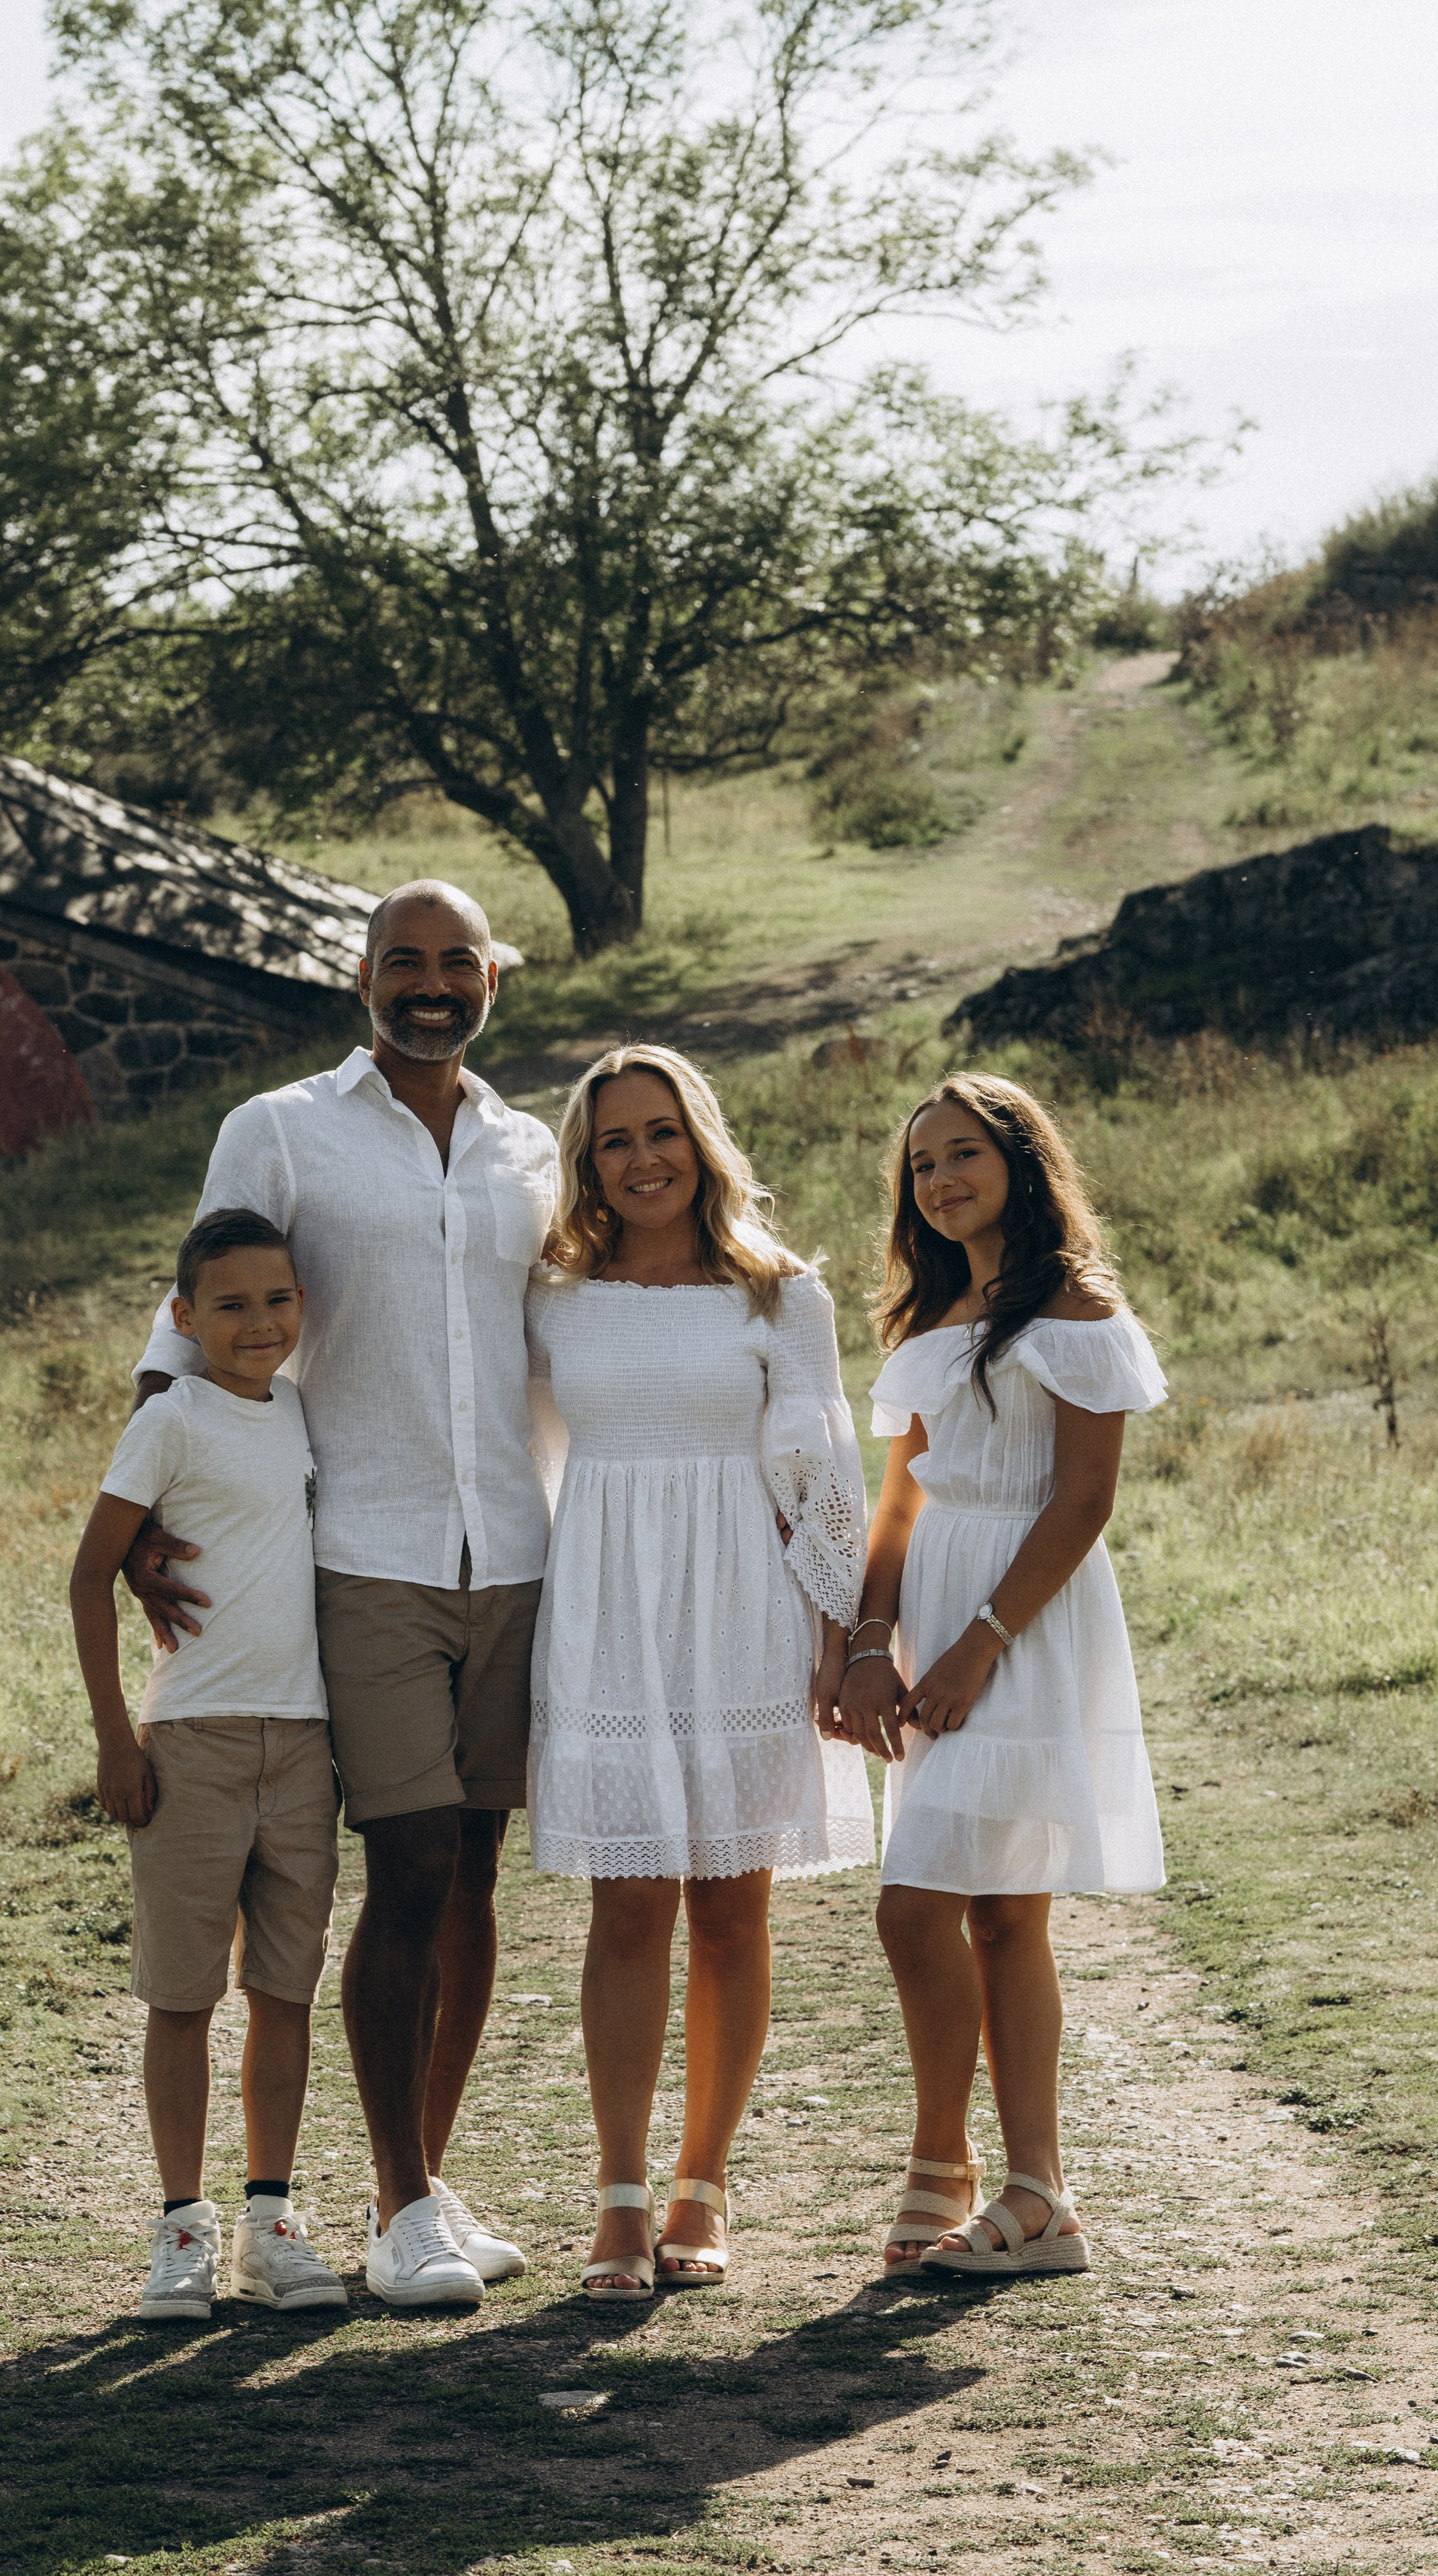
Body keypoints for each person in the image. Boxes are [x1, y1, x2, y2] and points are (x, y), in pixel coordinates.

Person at [123, 882, 559, 2309]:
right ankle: (404, 2202)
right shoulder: (281, 1128)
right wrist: (142, 1520)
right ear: (360, 976)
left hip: (512, 1549)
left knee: (476, 1875)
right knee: (413, 1861)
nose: (429, 987)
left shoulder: (528, 1149)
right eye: (402, 964)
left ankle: (412, 2188)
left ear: (492, 976)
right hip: (359, 1552)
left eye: (455, 964)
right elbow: (185, 1314)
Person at [526, 1046, 872, 2300]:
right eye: (615, 1140)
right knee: (628, 1903)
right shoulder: (552, 1298)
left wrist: (843, 1643)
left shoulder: (780, 1297)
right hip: (609, 1609)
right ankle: (620, 2197)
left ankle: (701, 2184)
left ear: (702, 1138)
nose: (643, 1157)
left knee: (732, 1907)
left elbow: (827, 1478)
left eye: (662, 1130)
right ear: (588, 1164)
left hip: (745, 1609)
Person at [818, 1072, 1166, 2278]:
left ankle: (949, 2165)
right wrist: (873, 1641)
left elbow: (1083, 1503)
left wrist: (979, 1641)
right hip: (931, 1615)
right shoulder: (929, 1318)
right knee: (1000, 1913)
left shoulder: (1073, 1308)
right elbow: (902, 1499)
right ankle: (1036, 2199)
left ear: (1021, 1160)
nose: (941, 1180)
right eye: (921, 1165)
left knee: (920, 1906)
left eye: (963, 1153)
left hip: (1023, 1617)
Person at [68, 1207, 347, 2321]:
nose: (258, 1323)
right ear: (184, 1319)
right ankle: (178, 2232)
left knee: (285, 1988)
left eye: (278, 1300)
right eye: (229, 1305)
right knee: (181, 1997)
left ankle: (267, 2227)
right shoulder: (172, 1420)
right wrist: (114, 1739)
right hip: (191, 1738)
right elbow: (92, 1575)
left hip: (306, 1739)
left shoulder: (301, 1417)